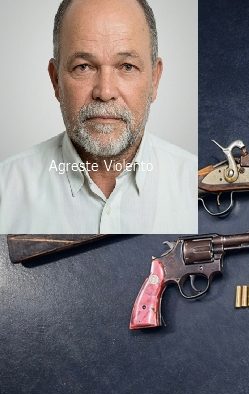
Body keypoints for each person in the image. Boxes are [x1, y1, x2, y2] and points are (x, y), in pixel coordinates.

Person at [0, 0, 196, 233]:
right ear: (56, 81)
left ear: (155, 79)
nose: (105, 92)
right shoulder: (6, 191)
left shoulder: (193, 184)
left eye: (126, 66)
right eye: (83, 67)